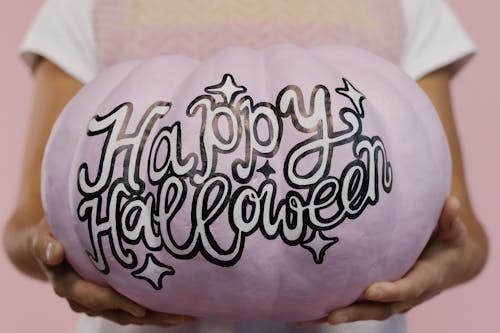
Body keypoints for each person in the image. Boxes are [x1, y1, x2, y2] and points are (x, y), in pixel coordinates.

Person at [3, 0, 489, 332]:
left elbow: (461, 231)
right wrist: (49, 253)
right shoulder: (86, 6)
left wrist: (445, 262)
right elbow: (30, 224)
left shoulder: (404, 7)